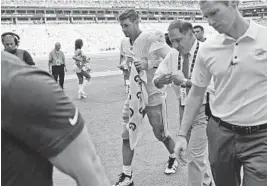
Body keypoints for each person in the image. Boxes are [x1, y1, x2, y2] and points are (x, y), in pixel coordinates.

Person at [175, 1, 267, 186]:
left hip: (261, 137)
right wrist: (181, 135)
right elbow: (196, 93)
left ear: (234, 2)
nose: (210, 21)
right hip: (220, 133)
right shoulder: (208, 48)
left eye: (214, 13)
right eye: (206, 16)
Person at [1, 51, 110, 186]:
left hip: (61, 76)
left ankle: (81, 91)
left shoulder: (20, 85)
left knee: (81, 79)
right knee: (82, 80)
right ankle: (81, 91)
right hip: (73, 70)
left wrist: (78, 62)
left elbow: (92, 173)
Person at [113, 9, 177, 186]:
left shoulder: (151, 38)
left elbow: (173, 57)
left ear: (136, 22)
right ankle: (127, 175)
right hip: (134, 95)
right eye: (121, 26)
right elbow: (129, 63)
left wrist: (150, 63)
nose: (124, 30)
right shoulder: (125, 43)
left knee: (161, 133)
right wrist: (125, 67)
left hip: (154, 94)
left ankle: (174, 156)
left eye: (126, 25)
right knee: (127, 133)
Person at [153, 20, 214, 186]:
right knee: (190, 152)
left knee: (194, 156)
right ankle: (207, 182)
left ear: (190, 34)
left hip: (204, 109)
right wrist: (160, 80)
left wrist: (186, 82)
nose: (175, 44)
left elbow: (214, 87)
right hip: (184, 110)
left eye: (178, 40)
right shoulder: (173, 55)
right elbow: (157, 79)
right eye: (171, 40)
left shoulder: (207, 51)